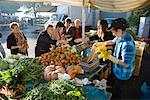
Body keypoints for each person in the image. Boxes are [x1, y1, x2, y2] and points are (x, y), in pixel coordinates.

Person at [93, 18, 136, 99]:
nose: (113, 34)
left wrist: (109, 57)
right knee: (113, 87)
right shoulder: (121, 36)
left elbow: (126, 64)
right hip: (117, 69)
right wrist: (99, 44)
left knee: (117, 92)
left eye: (113, 32)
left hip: (123, 73)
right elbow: (112, 41)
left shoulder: (127, 44)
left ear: (119, 30)